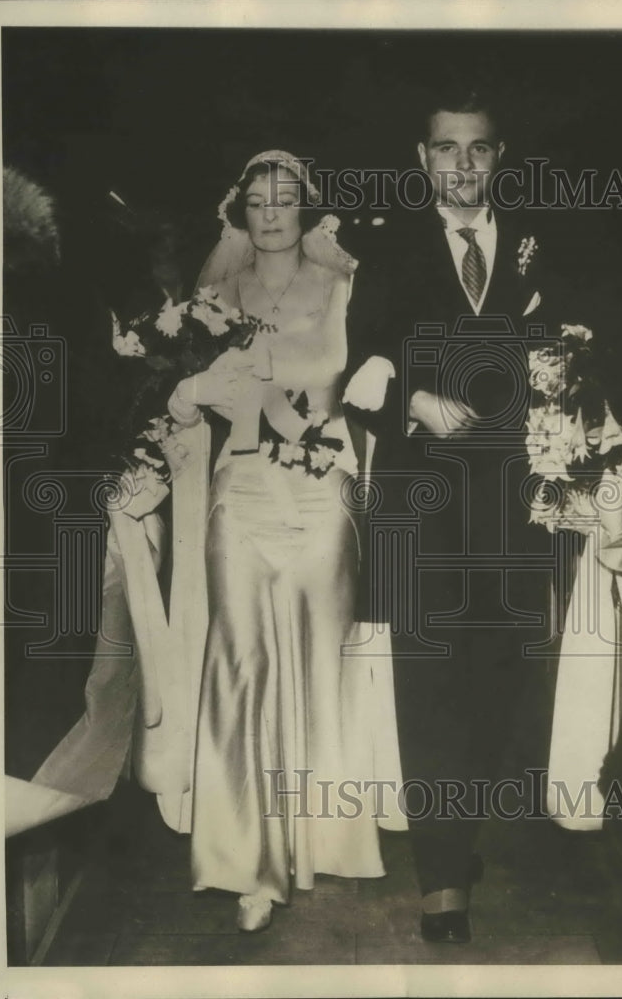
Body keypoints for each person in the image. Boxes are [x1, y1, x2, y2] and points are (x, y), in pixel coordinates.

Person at [344, 88, 560, 943]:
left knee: (499, 673)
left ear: (498, 157)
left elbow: (576, 344)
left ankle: (460, 826)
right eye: (445, 150)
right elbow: (361, 362)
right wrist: (412, 397)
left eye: (477, 150)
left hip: (516, 496)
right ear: (421, 158)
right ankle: (441, 876)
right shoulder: (387, 249)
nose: (461, 166)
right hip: (419, 501)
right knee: (429, 674)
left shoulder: (544, 248)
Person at [166, 151, 396, 933]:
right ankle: (247, 865)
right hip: (243, 495)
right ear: (240, 208)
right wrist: (187, 392)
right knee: (239, 662)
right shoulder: (210, 298)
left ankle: (326, 837)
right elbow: (178, 408)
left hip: (322, 493)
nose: (270, 212)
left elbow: (375, 366)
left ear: (306, 204)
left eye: (285, 197)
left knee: (323, 662)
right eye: (257, 199)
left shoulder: (345, 285)